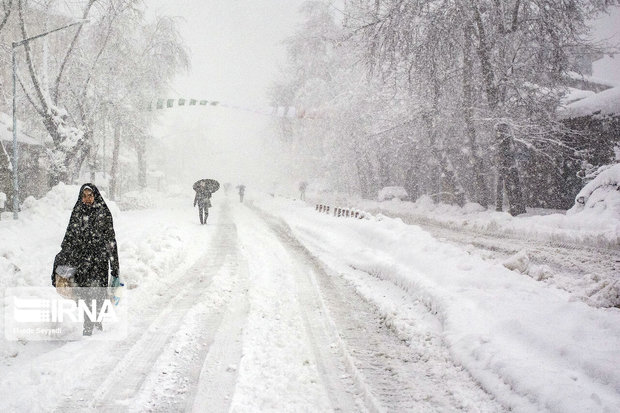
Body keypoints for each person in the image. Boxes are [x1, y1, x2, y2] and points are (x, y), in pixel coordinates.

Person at [52, 183, 119, 336]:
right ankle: (88, 327)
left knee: (99, 293)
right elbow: (69, 237)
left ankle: (97, 323)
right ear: (81, 197)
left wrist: (114, 265)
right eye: (84, 196)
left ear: (95, 196)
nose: (87, 199)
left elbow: (111, 241)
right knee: (86, 295)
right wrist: (64, 256)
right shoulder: (77, 213)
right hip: (82, 262)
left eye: (90, 195)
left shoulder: (103, 213)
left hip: (99, 261)